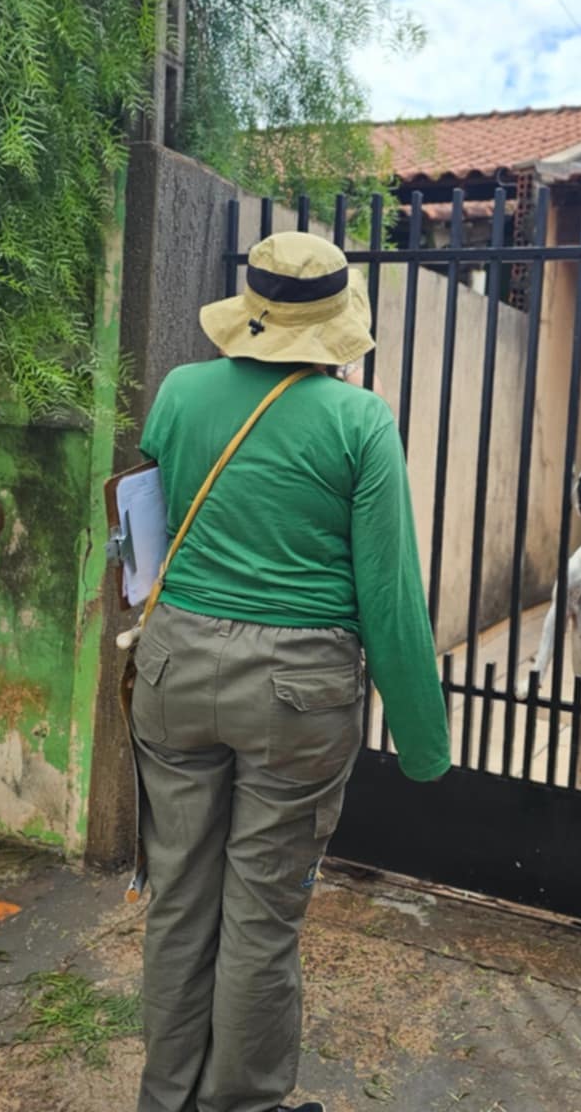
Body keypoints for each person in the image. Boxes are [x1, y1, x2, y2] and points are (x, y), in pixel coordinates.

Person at [131, 231, 451, 1112]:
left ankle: (166, 1099)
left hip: (175, 667)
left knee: (178, 899)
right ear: (337, 323)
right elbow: (388, 592)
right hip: (296, 692)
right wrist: (423, 742)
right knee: (261, 917)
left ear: (251, 309)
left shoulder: (181, 391)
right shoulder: (359, 421)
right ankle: (239, 1105)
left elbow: (153, 523)